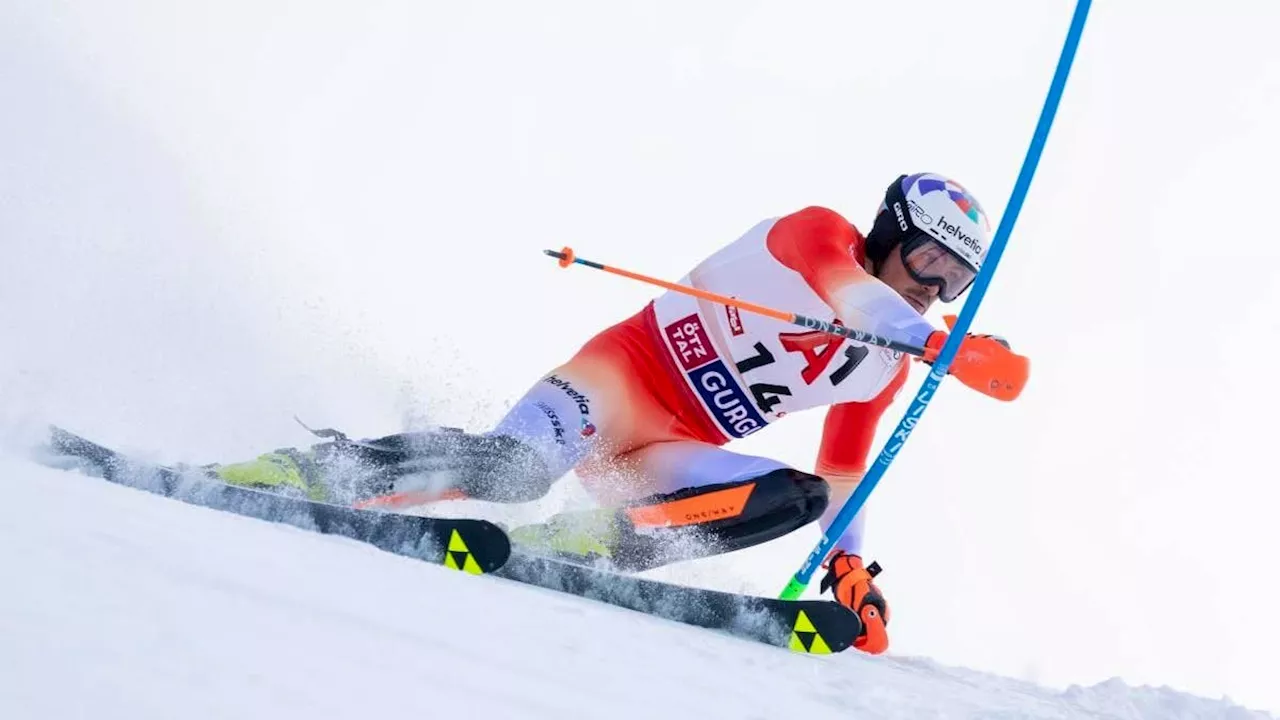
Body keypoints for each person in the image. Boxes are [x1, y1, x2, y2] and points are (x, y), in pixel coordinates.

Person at [210, 172, 1029, 655]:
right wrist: (940, 342)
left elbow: (845, 468)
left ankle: (576, 545)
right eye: (926, 260)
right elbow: (853, 294)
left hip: (669, 451)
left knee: (800, 496)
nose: (931, 285)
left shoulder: (884, 362)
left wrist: (848, 567)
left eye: (952, 280)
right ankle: (311, 470)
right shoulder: (820, 235)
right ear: (891, 234)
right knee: (515, 469)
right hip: (620, 383)